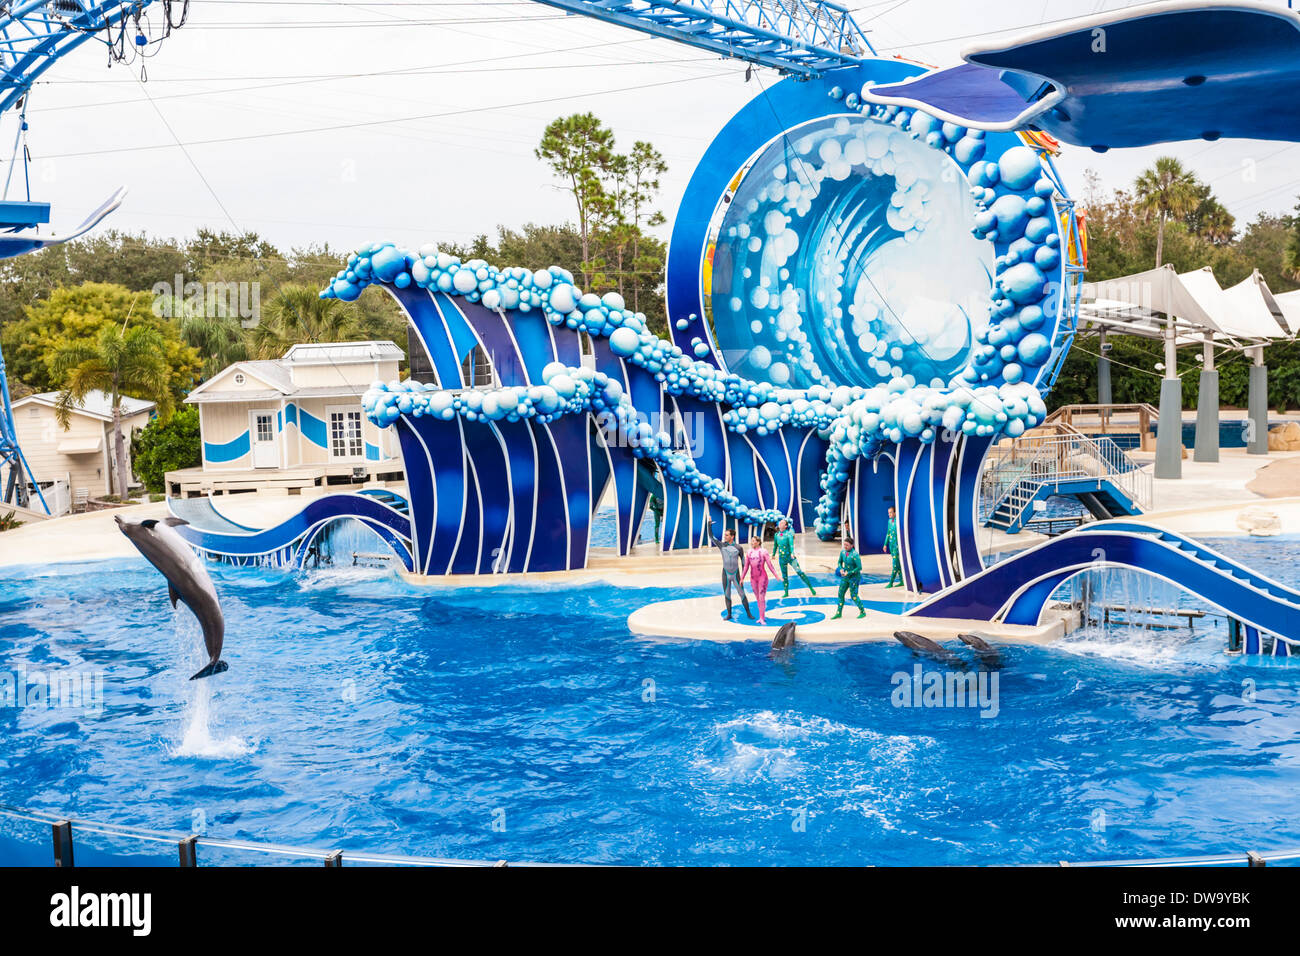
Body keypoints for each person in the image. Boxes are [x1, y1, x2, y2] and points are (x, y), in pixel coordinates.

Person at [710, 524, 753, 621]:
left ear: (732, 536)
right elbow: (711, 536)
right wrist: (709, 524)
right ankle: (729, 614)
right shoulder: (721, 545)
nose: (724, 537)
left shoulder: (739, 548)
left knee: (742, 594)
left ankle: (749, 613)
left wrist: (742, 576)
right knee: (727, 594)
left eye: (726, 535)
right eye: (724, 535)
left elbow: (743, 563)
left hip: (736, 575)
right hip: (725, 574)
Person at [771, 518, 815, 598]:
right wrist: (773, 554)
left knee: (799, 572)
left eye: (782, 523)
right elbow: (775, 545)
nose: (780, 524)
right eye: (780, 523)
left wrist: (792, 553)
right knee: (784, 576)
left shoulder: (789, 534)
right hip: (782, 558)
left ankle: (811, 588)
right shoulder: (776, 535)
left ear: (785, 526)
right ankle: (786, 592)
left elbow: (791, 545)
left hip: (791, 557)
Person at [740, 534, 779, 624]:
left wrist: (776, 575)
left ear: (758, 542)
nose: (751, 542)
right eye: (751, 541)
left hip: (762, 578)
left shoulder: (763, 551)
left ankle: (762, 617)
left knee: (761, 598)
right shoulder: (749, 552)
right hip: (753, 578)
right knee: (757, 598)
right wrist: (742, 578)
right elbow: (746, 566)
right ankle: (761, 617)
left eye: (753, 541)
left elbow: (770, 565)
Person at [832, 535, 867, 619]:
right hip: (845, 577)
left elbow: (859, 567)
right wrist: (840, 569)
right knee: (840, 593)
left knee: (853, 595)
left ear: (852, 545)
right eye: (844, 545)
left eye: (847, 545)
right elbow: (839, 562)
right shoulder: (843, 552)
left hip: (854, 578)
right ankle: (838, 612)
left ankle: (862, 611)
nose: (845, 546)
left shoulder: (855, 555)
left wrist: (850, 572)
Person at [884, 505, 902, 588]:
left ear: (895, 513)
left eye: (891, 512)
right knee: (897, 563)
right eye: (888, 513)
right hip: (891, 546)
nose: (889, 514)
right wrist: (885, 544)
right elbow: (888, 533)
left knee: (895, 564)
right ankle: (902, 580)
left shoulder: (898, 521)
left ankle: (891, 582)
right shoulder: (889, 521)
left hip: (897, 546)